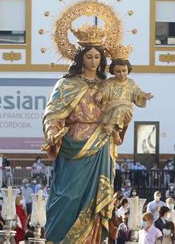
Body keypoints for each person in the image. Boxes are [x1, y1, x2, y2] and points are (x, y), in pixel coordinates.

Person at [43, 43, 122, 242]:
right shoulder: (67, 84)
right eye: (89, 57)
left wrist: (122, 114)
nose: (93, 61)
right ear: (81, 59)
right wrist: (53, 131)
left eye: (97, 57)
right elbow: (52, 113)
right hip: (74, 143)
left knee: (95, 197)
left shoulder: (109, 85)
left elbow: (119, 112)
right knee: (67, 197)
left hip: (101, 142)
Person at [95, 58, 153, 144]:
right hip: (112, 106)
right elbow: (103, 90)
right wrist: (99, 95)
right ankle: (115, 132)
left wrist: (145, 95)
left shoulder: (131, 83)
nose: (122, 74)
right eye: (118, 71)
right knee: (120, 108)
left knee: (123, 108)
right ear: (113, 71)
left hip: (126, 108)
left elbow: (137, 92)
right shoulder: (109, 82)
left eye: (124, 71)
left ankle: (112, 128)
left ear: (128, 69)